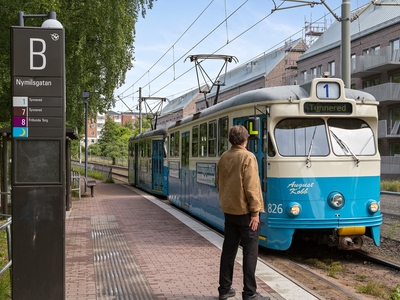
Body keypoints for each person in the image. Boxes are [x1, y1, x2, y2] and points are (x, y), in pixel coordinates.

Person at [216, 125, 269, 300]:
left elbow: (219, 182)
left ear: (231, 140)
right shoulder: (248, 157)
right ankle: (250, 293)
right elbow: (252, 187)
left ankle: (224, 289)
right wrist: (255, 212)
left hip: (229, 211)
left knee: (229, 251)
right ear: (245, 140)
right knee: (250, 252)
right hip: (245, 213)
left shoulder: (223, 157)